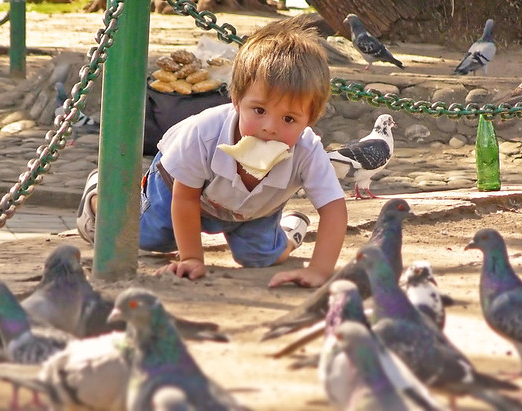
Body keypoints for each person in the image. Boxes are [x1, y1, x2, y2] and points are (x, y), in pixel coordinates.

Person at [77, 15, 348, 288]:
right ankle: (102, 195)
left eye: (289, 119)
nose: (270, 128)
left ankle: (290, 231)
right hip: (178, 190)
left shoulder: (308, 150)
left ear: (311, 119)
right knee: (147, 237)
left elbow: (334, 209)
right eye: (259, 110)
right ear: (236, 99)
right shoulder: (203, 133)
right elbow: (185, 198)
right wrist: (192, 258)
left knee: (262, 257)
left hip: (252, 210)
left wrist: (319, 270)